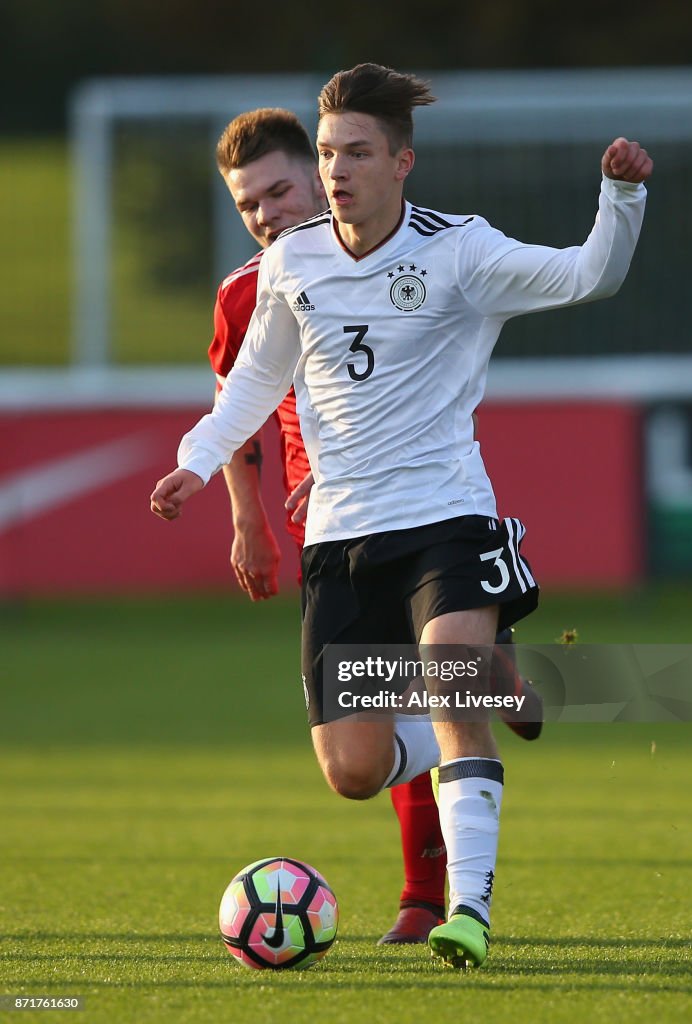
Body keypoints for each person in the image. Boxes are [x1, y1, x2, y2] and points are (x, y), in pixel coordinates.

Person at [151, 63, 652, 969]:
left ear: (400, 162)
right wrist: (194, 465)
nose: (338, 171)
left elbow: (590, 276)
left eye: (354, 154)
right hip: (341, 536)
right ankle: (491, 686)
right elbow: (254, 383)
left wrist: (617, 196)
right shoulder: (290, 264)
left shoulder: (459, 250)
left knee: (450, 684)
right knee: (351, 770)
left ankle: (467, 912)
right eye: (332, 151)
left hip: (444, 516)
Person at [209, 107, 447, 944]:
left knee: (398, 689)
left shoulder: (408, 255)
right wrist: (249, 523)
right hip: (330, 525)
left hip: (419, 505)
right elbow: (236, 410)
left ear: (317, 177)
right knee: (378, 712)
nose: (267, 213)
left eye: (278, 191)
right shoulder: (247, 290)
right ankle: (494, 683)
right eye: (249, 204)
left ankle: (425, 899)